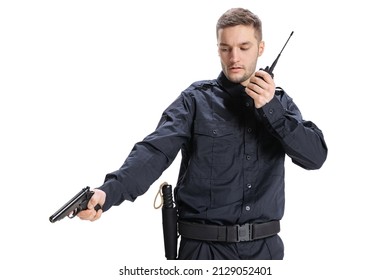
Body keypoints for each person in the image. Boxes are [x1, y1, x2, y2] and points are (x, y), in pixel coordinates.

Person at [77, 7, 328, 260]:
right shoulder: (195, 101)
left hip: (265, 252)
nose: (234, 58)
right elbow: (154, 152)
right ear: (217, 49)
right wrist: (108, 192)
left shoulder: (279, 104)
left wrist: (271, 110)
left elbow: (315, 157)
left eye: (244, 47)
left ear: (261, 48)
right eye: (225, 48)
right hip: (203, 251)